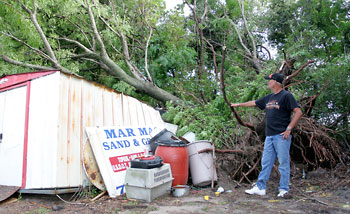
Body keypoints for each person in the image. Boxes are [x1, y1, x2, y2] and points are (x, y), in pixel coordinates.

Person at [231, 73, 303, 197]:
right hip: (269, 136)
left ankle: (284, 189)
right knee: (266, 162)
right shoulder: (269, 97)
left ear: (276, 82)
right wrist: (237, 105)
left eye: (270, 80)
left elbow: (298, 112)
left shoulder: (286, 96)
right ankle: (260, 187)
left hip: (281, 136)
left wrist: (289, 129)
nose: (268, 82)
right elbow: (254, 102)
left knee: (283, 163)